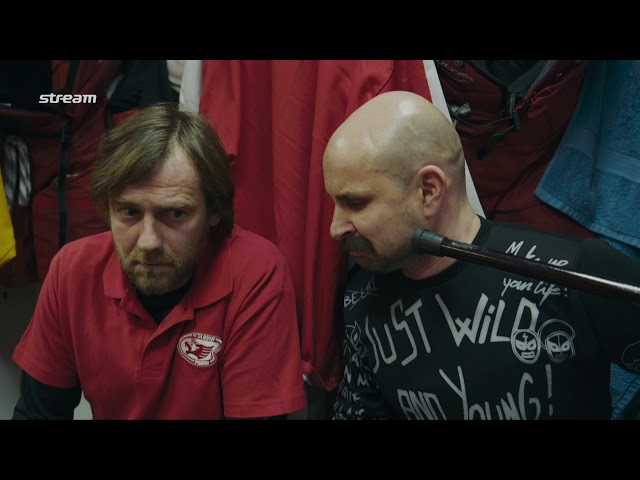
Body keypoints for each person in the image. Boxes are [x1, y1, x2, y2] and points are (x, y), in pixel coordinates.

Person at [322, 90, 640, 420]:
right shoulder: (362, 295)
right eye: (334, 202)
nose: (335, 227)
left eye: (356, 203)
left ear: (429, 191)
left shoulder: (575, 272)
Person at [11, 102, 307, 420]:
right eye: (129, 212)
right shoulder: (73, 270)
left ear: (215, 211)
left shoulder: (256, 272)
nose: (148, 241)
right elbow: (37, 414)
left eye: (175, 214)